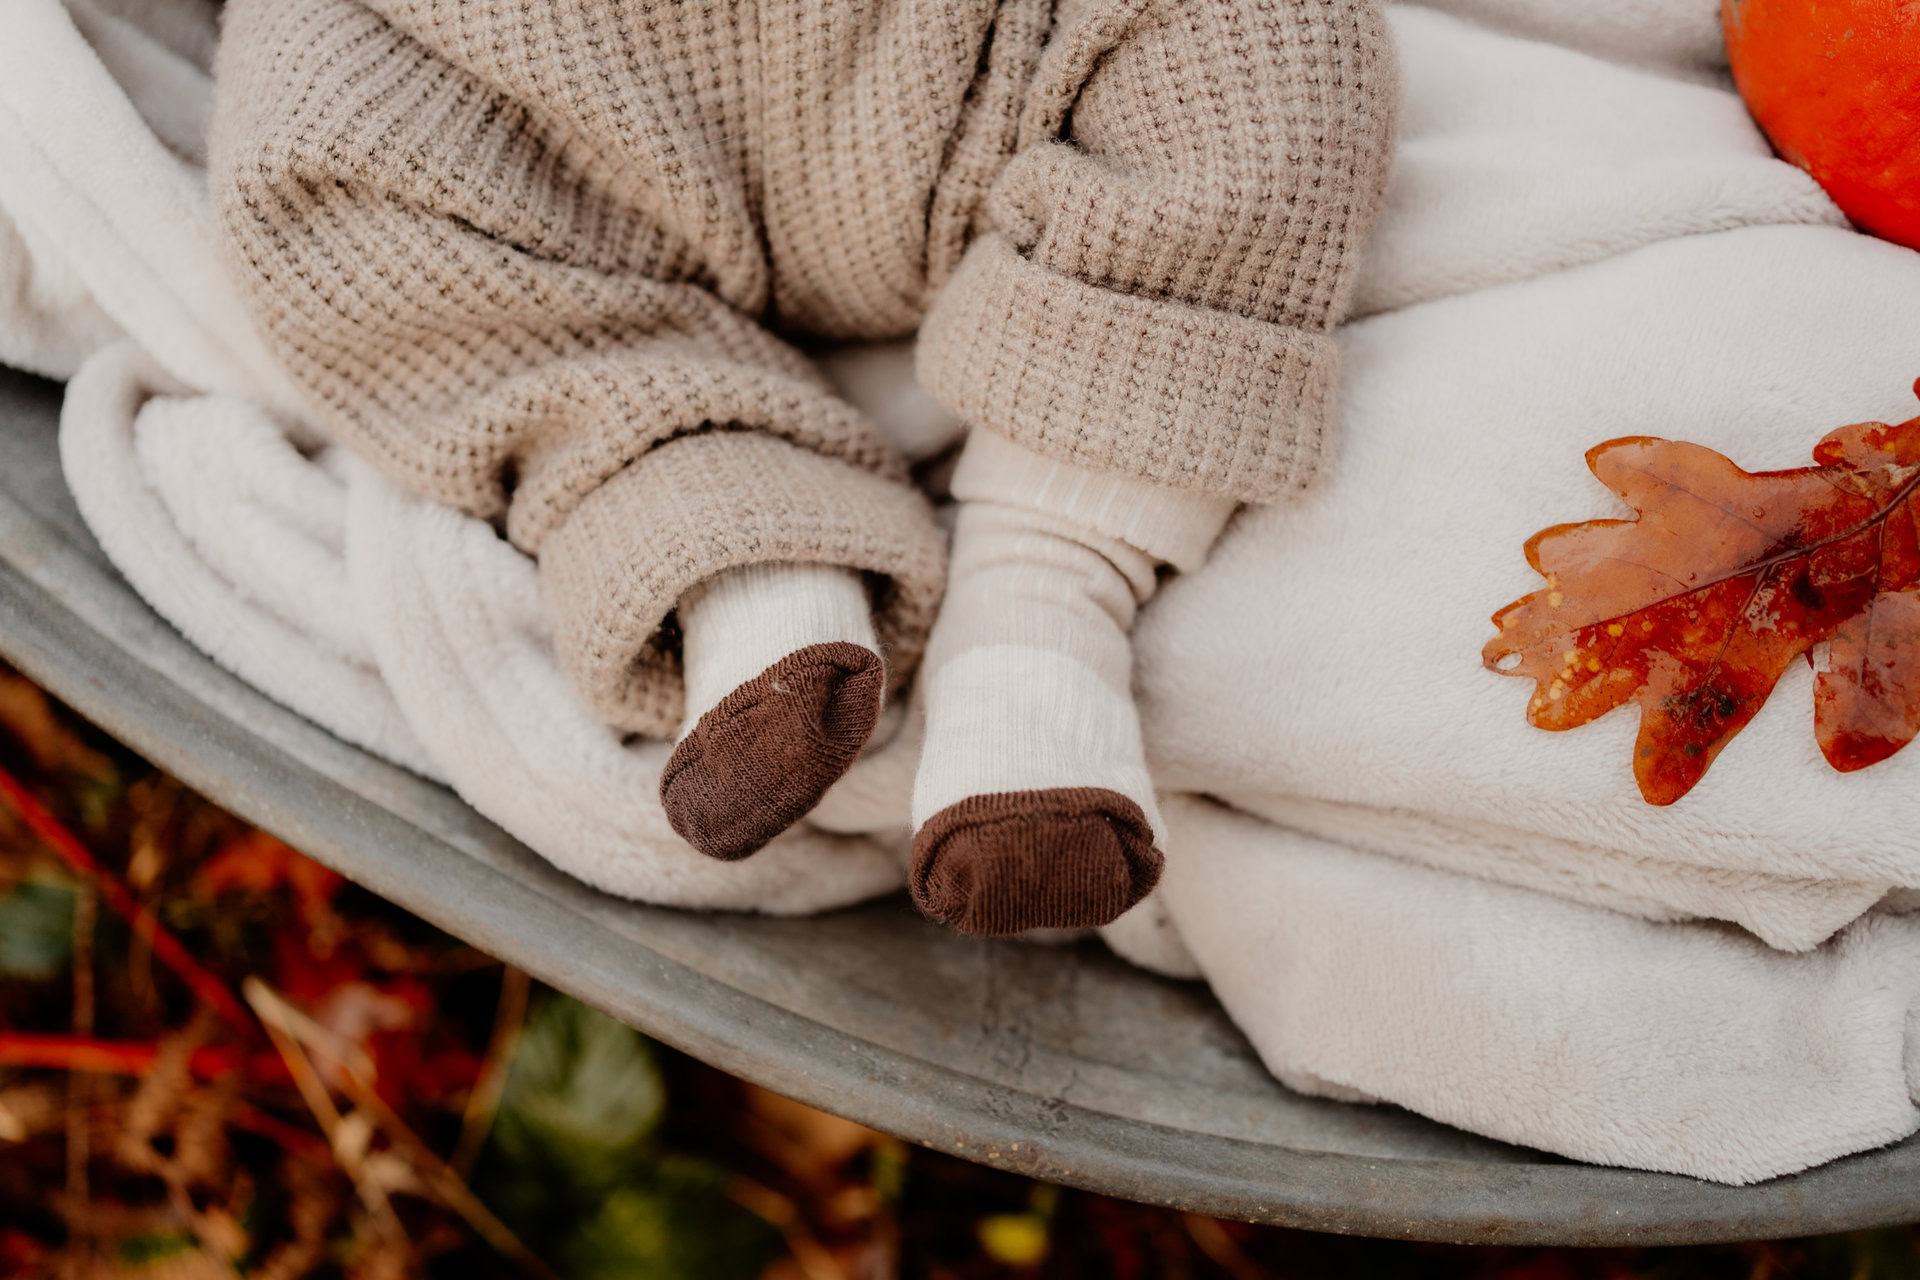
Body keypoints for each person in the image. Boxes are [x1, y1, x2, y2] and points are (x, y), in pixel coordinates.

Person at [210, 0, 1398, 935]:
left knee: (1275, 59)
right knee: (314, 159)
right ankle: (737, 541)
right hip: (521, 90)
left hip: (951, 64)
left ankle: (1042, 590)